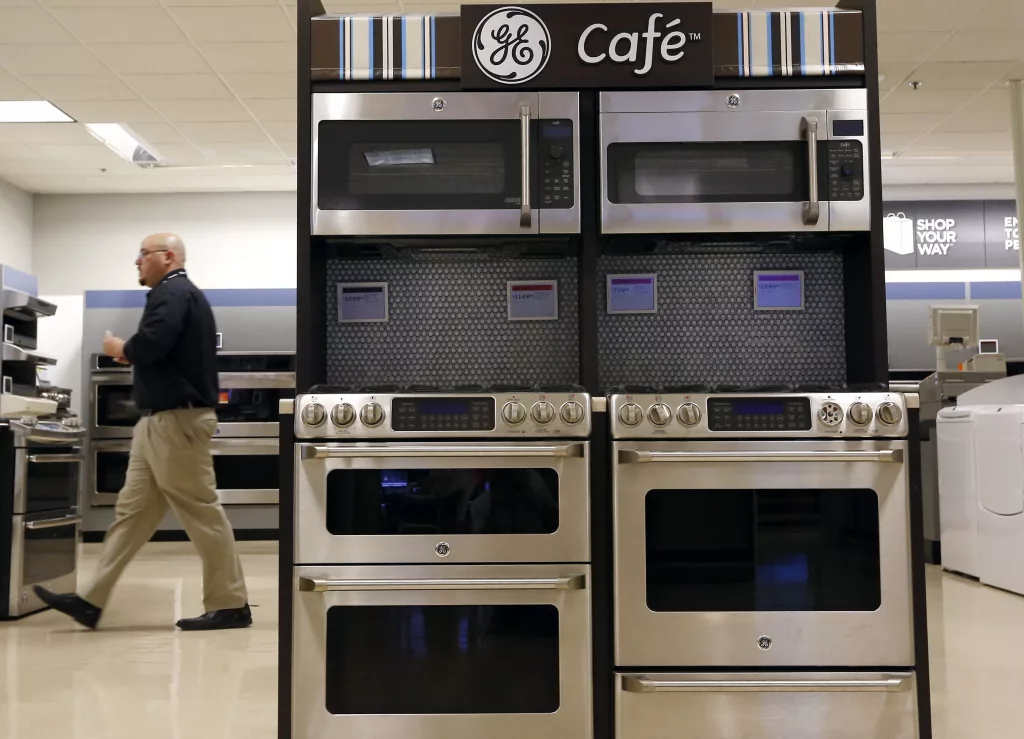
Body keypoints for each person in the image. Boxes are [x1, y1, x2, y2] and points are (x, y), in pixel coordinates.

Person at [35, 233, 251, 631]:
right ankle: (91, 600)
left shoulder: (173, 293)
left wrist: (123, 347)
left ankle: (231, 603)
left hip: (176, 423)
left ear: (167, 258)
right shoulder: (178, 294)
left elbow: (153, 343)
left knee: (202, 514)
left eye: (143, 254)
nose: (137, 261)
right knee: (131, 514)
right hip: (159, 424)